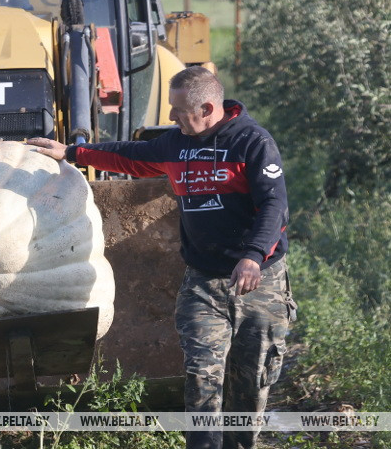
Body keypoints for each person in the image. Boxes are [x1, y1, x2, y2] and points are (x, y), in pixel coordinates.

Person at [29, 66, 296, 449]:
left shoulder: (252, 142)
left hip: (260, 281)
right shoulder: (176, 144)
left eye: (178, 109)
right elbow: (130, 157)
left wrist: (253, 256)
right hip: (204, 282)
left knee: (250, 379)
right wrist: (71, 152)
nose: (171, 117)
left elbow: (274, 206)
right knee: (202, 373)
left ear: (207, 107)